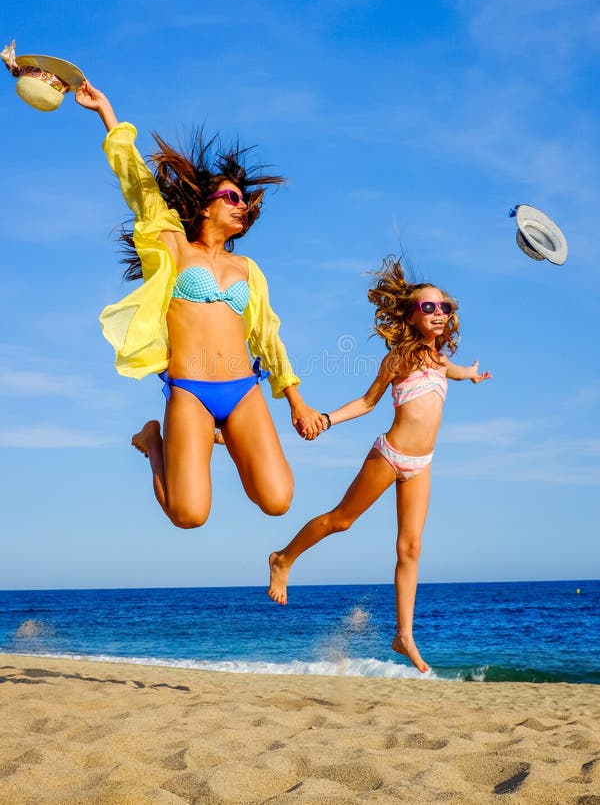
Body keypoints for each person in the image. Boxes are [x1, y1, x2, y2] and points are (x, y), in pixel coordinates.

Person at [75, 81, 326, 529]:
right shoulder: (174, 247)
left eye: (244, 202)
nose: (241, 206)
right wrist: (106, 113)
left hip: (241, 389)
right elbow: (139, 186)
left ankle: (222, 434)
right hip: (191, 390)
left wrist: (297, 402)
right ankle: (156, 441)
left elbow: (268, 336)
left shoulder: (248, 269)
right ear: (206, 208)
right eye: (231, 197)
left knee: (278, 500)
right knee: (188, 515)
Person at [267, 258, 491, 672]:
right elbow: (368, 402)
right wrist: (329, 419)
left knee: (411, 547)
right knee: (341, 520)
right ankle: (283, 558)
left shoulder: (442, 362)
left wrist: (473, 375)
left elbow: (456, 372)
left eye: (443, 307)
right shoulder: (397, 360)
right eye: (429, 307)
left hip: (421, 464)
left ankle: (403, 635)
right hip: (389, 455)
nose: (439, 313)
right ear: (410, 314)